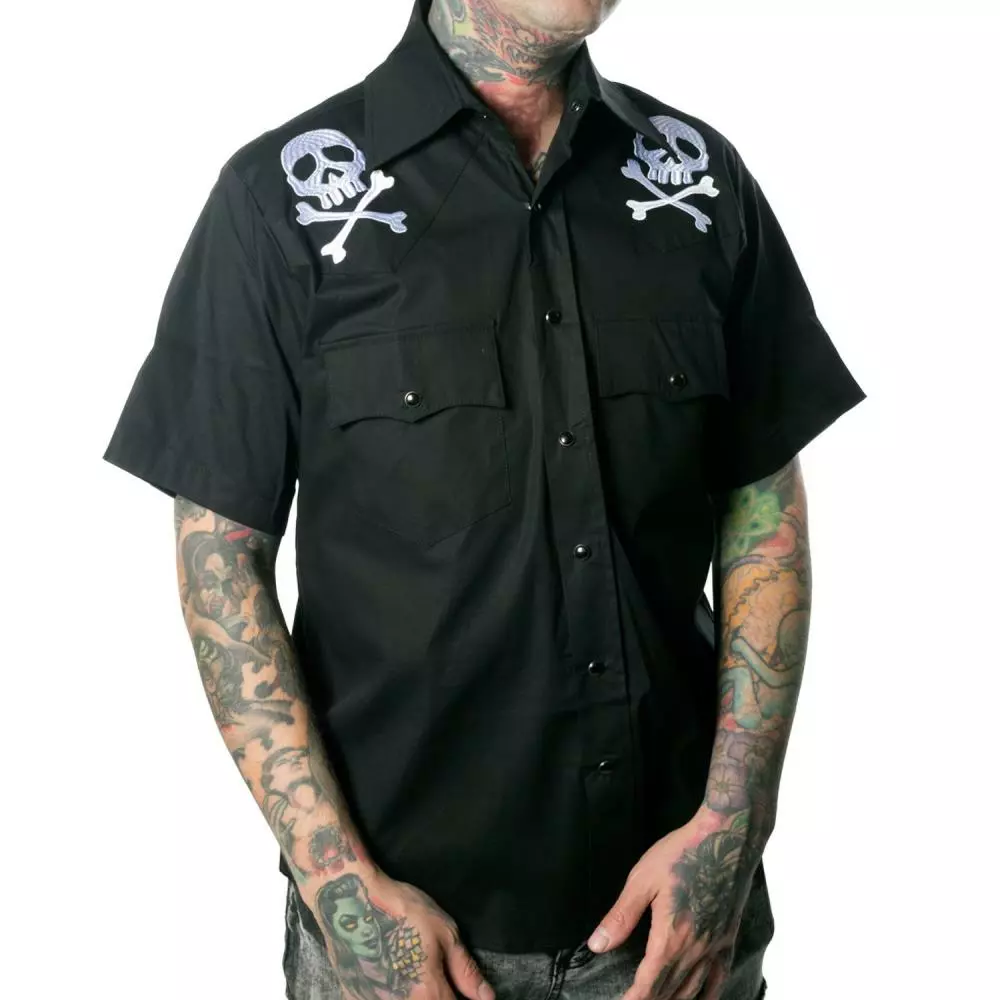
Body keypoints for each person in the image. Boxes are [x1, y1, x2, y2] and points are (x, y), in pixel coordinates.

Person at [101, 0, 866, 998]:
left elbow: (761, 510)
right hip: (404, 942)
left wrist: (732, 827)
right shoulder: (277, 199)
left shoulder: (695, 178)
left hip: (676, 931)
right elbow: (221, 563)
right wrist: (342, 889)